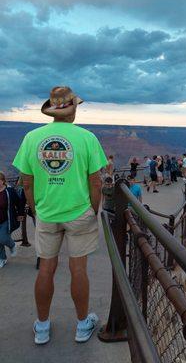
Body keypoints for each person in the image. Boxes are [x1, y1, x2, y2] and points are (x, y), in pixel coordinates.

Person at [13, 86, 108, 345]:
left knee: (46, 269)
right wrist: (92, 210)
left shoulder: (32, 138)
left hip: (47, 213)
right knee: (79, 269)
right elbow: (96, 182)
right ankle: (81, 325)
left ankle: (42, 327)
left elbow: (27, 181)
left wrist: (35, 208)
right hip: (79, 213)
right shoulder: (87, 138)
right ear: (72, 109)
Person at [0, 172, 24, 268]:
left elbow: (19, 202)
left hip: (7, 219)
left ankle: (12, 245)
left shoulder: (9, 191)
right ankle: (2, 258)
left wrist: (20, 213)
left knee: (2, 238)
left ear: (2, 181)